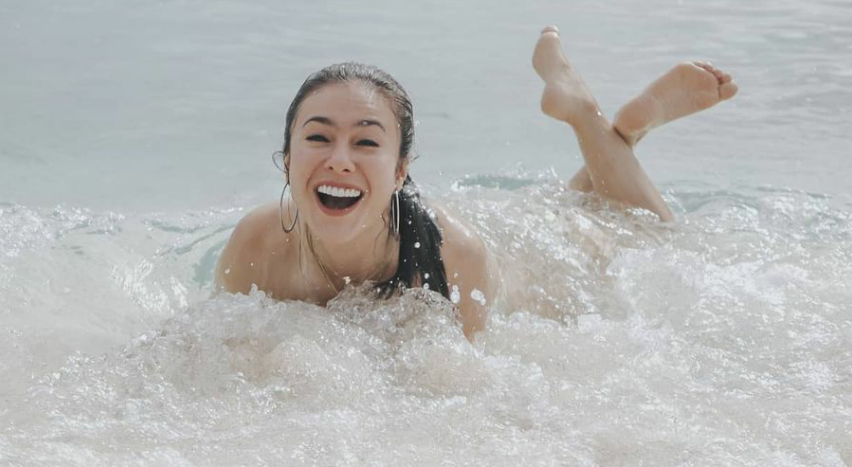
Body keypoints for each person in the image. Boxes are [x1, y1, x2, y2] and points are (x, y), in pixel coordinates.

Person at [214, 26, 738, 339]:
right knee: (586, 202)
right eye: (318, 138)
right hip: (494, 221)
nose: (340, 161)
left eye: (367, 142)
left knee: (654, 235)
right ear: (286, 159)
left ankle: (584, 114)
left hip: (535, 264)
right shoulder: (255, 245)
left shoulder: (455, 262)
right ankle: (624, 133)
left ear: (401, 171)